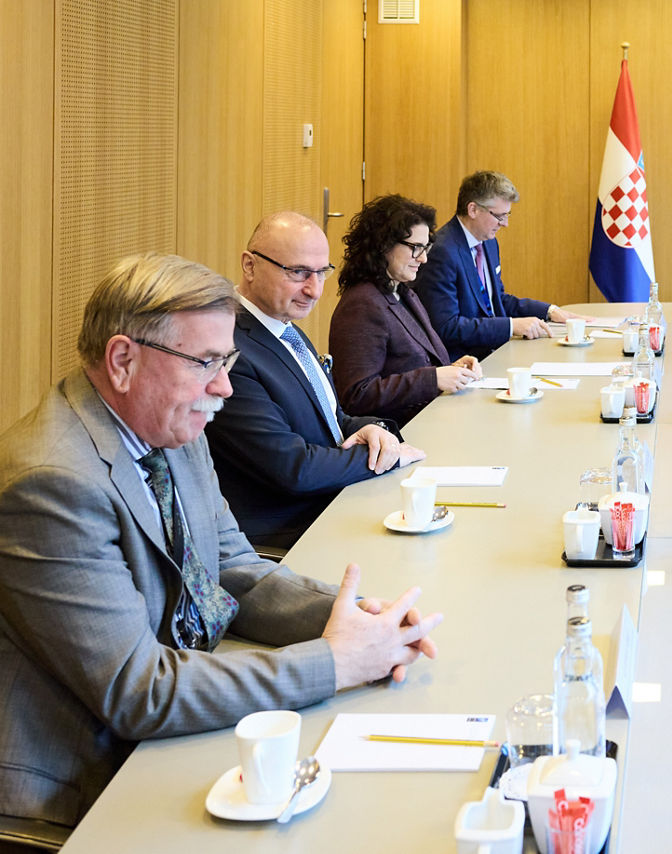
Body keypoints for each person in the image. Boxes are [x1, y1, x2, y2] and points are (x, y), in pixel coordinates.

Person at [0, 253, 442, 827]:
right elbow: (139, 693)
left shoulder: (169, 422)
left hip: (173, 726)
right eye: (206, 361)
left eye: (228, 359)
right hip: (84, 777)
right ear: (122, 359)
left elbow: (228, 565)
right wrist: (334, 663)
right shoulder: (51, 482)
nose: (225, 386)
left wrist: (352, 618)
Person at [204, 212, 425, 549]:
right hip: (289, 533)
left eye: (322, 273)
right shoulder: (230, 350)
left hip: (330, 503)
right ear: (250, 266)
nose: (315, 290)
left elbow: (330, 418)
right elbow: (293, 468)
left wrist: (374, 431)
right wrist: (385, 458)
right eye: (298, 273)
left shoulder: (285, 330)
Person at [329, 194, 482, 427]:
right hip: (400, 433)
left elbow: (411, 366)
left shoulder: (402, 291)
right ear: (383, 244)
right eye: (415, 248)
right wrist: (434, 379)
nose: (423, 258)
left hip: (429, 420)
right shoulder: (361, 304)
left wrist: (451, 370)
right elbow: (357, 395)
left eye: (426, 247)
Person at [415, 170, 589, 361]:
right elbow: (447, 327)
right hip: (465, 363)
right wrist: (511, 326)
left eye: (507, 215)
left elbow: (497, 299)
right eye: (499, 216)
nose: (504, 224)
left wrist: (550, 311)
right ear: (473, 209)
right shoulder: (442, 252)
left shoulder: (488, 242)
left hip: (497, 351)